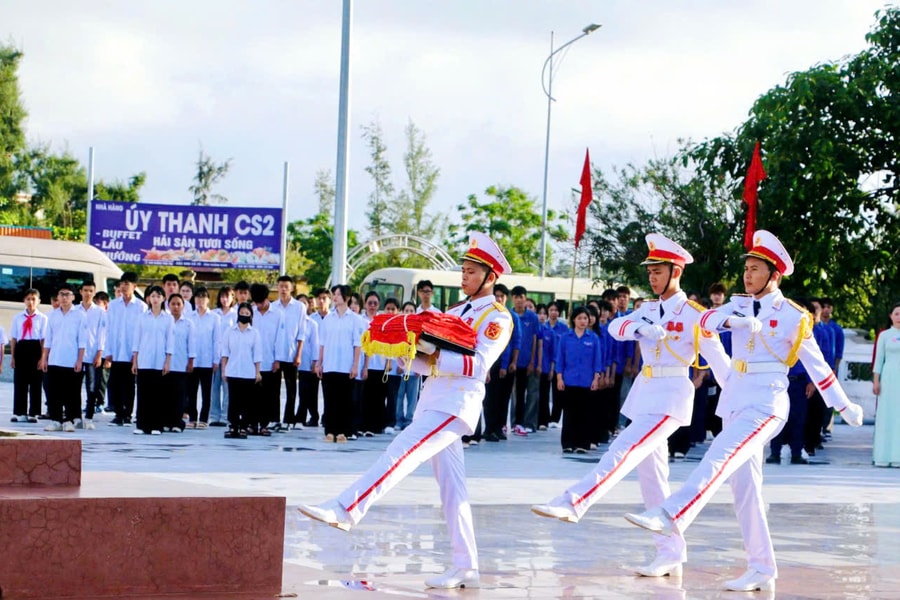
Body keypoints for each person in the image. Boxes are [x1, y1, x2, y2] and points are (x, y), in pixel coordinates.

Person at [625, 230, 865, 593]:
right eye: (747, 269)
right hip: (736, 400)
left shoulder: (792, 316)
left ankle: (673, 513)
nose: (748, 275)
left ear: (775, 276)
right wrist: (732, 320)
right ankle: (762, 566)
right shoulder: (737, 304)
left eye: (755, 269)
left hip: (767, 401)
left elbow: (816, 364)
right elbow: (705, 322)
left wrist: (843, 404)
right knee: (745, 487)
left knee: (720, 455)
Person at [299, 232, 514, 589]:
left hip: (454, 405)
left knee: (399, 453)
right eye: (462, 270)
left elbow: (478, 365)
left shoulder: (497, 317)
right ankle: (466, 567)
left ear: (490, 277)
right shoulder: (456, 311)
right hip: (434, 400)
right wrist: (404, 351)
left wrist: (432, 357)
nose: (464, 277)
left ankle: (347, 509)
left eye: (472, 272)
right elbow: (429, 361)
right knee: (453, 489)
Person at [533, 234, 718, 579]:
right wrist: (641, 326)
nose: (652, 276)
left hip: (674, 390)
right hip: (648, 390)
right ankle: (671, 551)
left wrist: (735, 397)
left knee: (624, 447)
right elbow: (617, 327)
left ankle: (575, 501)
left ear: (676, 271)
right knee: (652, 476)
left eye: (658, 270)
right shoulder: (646, 308)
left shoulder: (694, 313)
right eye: (649, 270)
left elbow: (717, 359)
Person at [552, 306, 602, 453]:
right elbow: (560, 360)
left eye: (585, 318)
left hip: (587, 382)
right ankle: (568, 443)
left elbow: (597, 361)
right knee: (569, 414)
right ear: (573, 319)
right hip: (569, 381)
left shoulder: (593, 338)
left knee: (584, 414)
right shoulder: (565, 338)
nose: (582, 321)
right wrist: (559, 378)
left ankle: (582, 444)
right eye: (579, 318)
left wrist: (596, 379)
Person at [317, 284, 362, 443]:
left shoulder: (355, 319)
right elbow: (322, 343)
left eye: (337, 294)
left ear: (347, 297)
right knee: (330, 400)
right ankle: (330, 431)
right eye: (334, 294)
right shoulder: (328, 319)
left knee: (345, 401)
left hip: (346, 366)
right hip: (329, 365)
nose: (334, 297)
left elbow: (358, 344)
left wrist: (356, 365)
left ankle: (343, 431)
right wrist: (319, 363)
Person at [41, 284, 87, 432]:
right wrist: (44, 358)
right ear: (58, 297)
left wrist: (80, 360)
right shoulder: (52, 315)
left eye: (68, 294)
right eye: (62, 294)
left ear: (73, 297)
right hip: (54, 359)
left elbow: (82, 341)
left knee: (70, 393)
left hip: (71, 360)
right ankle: (56, 420)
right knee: (53, 392)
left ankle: (68, 420)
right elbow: (48, 339)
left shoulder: (80, 316)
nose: (65, 297)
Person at [105, 272, 147, 426]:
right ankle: (118, 412)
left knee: (129, 384)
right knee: (115, 382)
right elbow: (108, 328)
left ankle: (127, 413)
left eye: (127, 284)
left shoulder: (141, 307)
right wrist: (107, 351)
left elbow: (142, 331)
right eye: (122, 283)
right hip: (116, 350)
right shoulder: (114, 305)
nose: (123, 286)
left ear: (134, 287)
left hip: (131, 351)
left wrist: (137, 353)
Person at [131, 285, 174, 435]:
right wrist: (135, 360)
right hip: (144, 359)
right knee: (143, 393)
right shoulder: (142, 317)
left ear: (163, 299)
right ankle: (142, 424)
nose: (155, 299)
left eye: (158, 296)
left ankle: (157, 425)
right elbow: (137, 340)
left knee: (158, 394)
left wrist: (168, 361)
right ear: (148, 298)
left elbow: (170, 341)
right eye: (152, 296)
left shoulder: (168, 319)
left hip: (160, 360)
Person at [221, 302, 262, 440]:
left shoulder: (254, 333)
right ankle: (233, 425)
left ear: (251, 315)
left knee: (246, 402)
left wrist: (257, 372)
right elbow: (225, 352)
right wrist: (224, 370)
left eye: (247, 313)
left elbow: (257, 355)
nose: (244, 315)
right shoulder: (229, 331)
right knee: (233, 401)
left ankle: (244, 426)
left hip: (248, 372)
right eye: (242, 313)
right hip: (232, 371)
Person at [273, 275, 307, 430]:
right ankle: (274, 419)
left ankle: (289, 419)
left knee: (291, 389)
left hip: (292, 353)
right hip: (276, 355)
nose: (283, 289)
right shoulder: (273, 307)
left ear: (292, 288)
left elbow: (301, 333)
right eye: (281, 286)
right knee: (274, 390)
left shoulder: (299, 307)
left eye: (286, 286)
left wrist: (299, 354)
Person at [10, 288, 48, 423]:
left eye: (33, 299)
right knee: (20, 382)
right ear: (24, 301)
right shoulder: (17, 317)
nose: (30, 302)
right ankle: (19, 412)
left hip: (35, 348)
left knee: (35, 382)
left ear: (39, 301)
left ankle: (34, 412)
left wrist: (43, 357)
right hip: (22, 347)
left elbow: (44, 339)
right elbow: (14, 338)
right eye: (28, 299)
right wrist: (13, 356)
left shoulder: (43, 318)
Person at [250, 283, 283, 436]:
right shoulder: (251, 312)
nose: (259, 306)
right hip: (252, 362)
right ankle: (252, 423)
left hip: (271, 360)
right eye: (257, 303)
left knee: (269, 395)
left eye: (261, 302)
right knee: (253, 395)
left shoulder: (278, 314)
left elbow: (280, 339)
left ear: (267, 298)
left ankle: (265, 424)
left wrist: (277, 359)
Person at [187, 286, 220, 428]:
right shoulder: (189, 317)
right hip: (193, 360)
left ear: (208, 299)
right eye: (198, 297)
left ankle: (204, 419)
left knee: (207, 392)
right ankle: (192, 418)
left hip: (207, 359)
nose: (200, 300)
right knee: (191, 391)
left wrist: (216, 359)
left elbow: (216, 340)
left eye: (203, 297)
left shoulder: (214, 318)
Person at [872, 301, 900, 467]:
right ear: (890, 316)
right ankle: (883, 456)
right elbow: (878, 360)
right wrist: (876, 381)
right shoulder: (884, 335)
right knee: (887, 415)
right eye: (896, 313)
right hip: (888, 379)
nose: (899, 317)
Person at [76, 280, 107, 430]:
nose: (87, 293)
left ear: (94, 293)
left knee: (92, 388)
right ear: (80, 291)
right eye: (85, 290)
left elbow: (102, 334)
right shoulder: (75, 311)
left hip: (93, 355)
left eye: (90, 291)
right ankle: (75, 416)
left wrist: (100, 353)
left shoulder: (100, 312)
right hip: (76, 356)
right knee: (74, 388)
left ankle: (88, 417)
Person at [165, 294, 195, 432]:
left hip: (181, 363)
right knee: (167, 394)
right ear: (168, 305)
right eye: (173, 304)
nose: (176, 307)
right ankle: (166, 421)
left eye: (178, 304)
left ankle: (177, 422)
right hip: (166, 364)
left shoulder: (188, 323)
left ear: (183, 306)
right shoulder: (165, 321)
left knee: (180, 395)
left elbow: (191, 344)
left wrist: (191, 361)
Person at [209, 286, 237, 427]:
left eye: (228, 296)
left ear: (232, 298)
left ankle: (226, 416)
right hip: (215, 355)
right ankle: (214, 415)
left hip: (230, 356)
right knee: (214, 387)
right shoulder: (214, 314)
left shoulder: (236, 314)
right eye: (222, 296)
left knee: (227, 387)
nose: (225, 299)